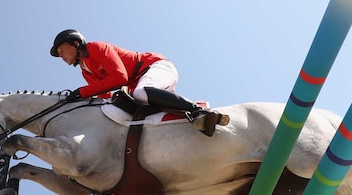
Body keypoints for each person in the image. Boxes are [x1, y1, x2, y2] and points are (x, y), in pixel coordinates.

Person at [49, 29, 229, 136]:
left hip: (156, 67)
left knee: (140, 93)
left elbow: (120, 78)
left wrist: (82, 92)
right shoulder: (85, 70)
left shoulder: (96, 48)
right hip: (143, 85)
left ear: (75, 43)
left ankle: (199, 111)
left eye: (62, 49)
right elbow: (106, 97)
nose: (62, 55)